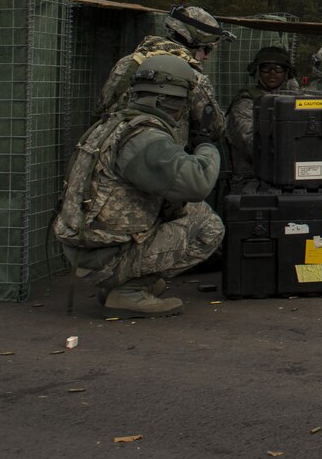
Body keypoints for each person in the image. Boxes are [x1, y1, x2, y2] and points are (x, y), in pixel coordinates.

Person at [55, 53, 224, 318]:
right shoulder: (144, 137)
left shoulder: (114, 123)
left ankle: (121, 285)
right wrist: (206, 145)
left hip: (87, 248)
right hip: (103, 255)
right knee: (207, 225)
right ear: (175, 100)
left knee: (181, 210)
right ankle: (129, 290)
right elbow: (197, 183)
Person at [96, 4, 232, 154]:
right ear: (193, 44)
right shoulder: (191, 76)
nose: (206, 56)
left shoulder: (127, 63)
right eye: (206, 49)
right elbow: (215, 127)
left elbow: (104, 107)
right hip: (162, 163)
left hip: (113, 156)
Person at [224, 45, 296, 179]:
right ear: (257, 71)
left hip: (289, 176)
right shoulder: (245, 103)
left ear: (287, 72)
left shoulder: (294, 100)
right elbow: (253, 146)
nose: (272, 72)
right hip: (252, 180)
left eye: (279, 68)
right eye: (266, 67)